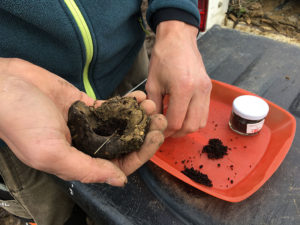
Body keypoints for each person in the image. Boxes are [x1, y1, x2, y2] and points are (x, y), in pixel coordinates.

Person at [0, 0, 212, 224]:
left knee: (140, 193)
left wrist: (176, 25)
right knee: (58, 213)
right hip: (20, 115)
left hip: (126, 61)